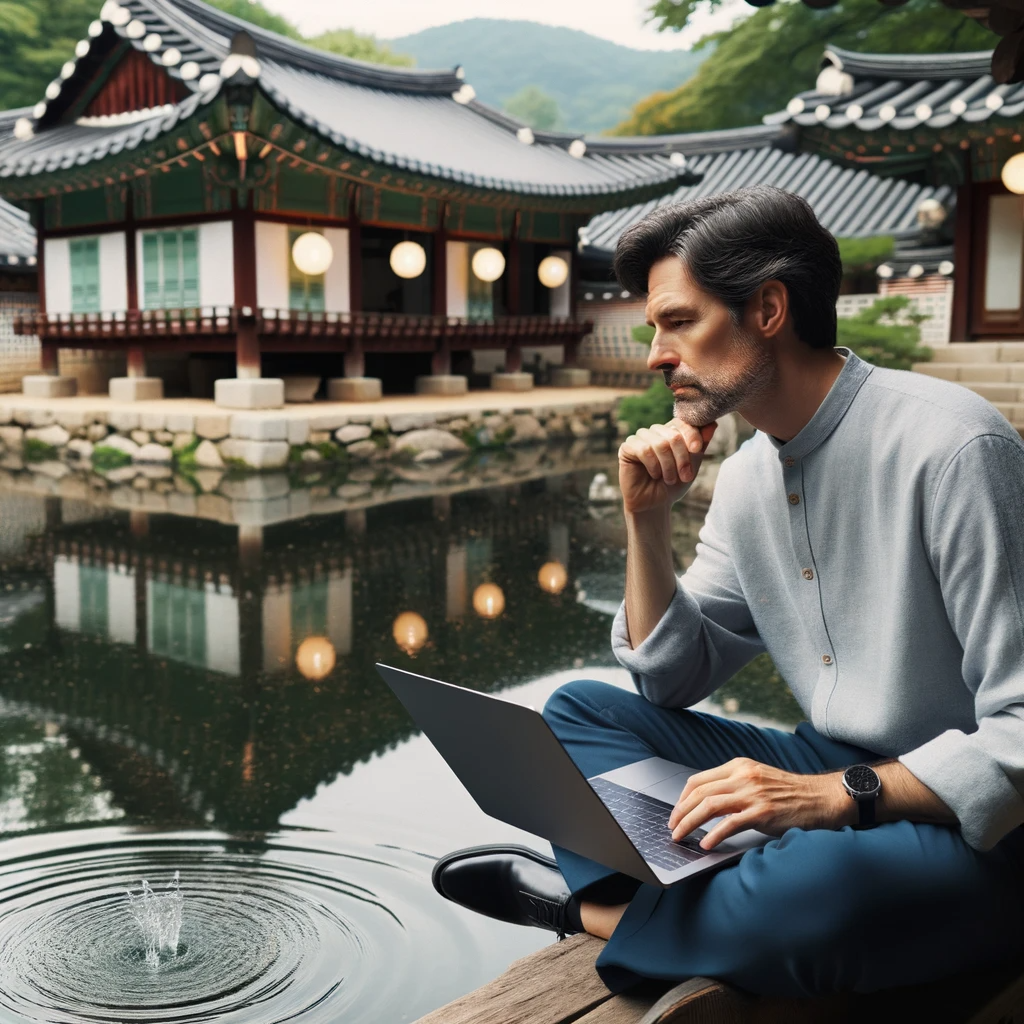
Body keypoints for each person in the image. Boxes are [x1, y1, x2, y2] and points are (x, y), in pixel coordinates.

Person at [431, 185, 1024, 997]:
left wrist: (830, 797)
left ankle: (589, 911)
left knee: (823, 889)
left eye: (678, 322)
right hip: (831, 760)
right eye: (655, 329)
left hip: (970, 818)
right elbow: (672, 681)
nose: (653, 355)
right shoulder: (747, 475)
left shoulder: (954, 447)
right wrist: (646, 523)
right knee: (575, 715)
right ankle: (725, 899)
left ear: (770, 309)